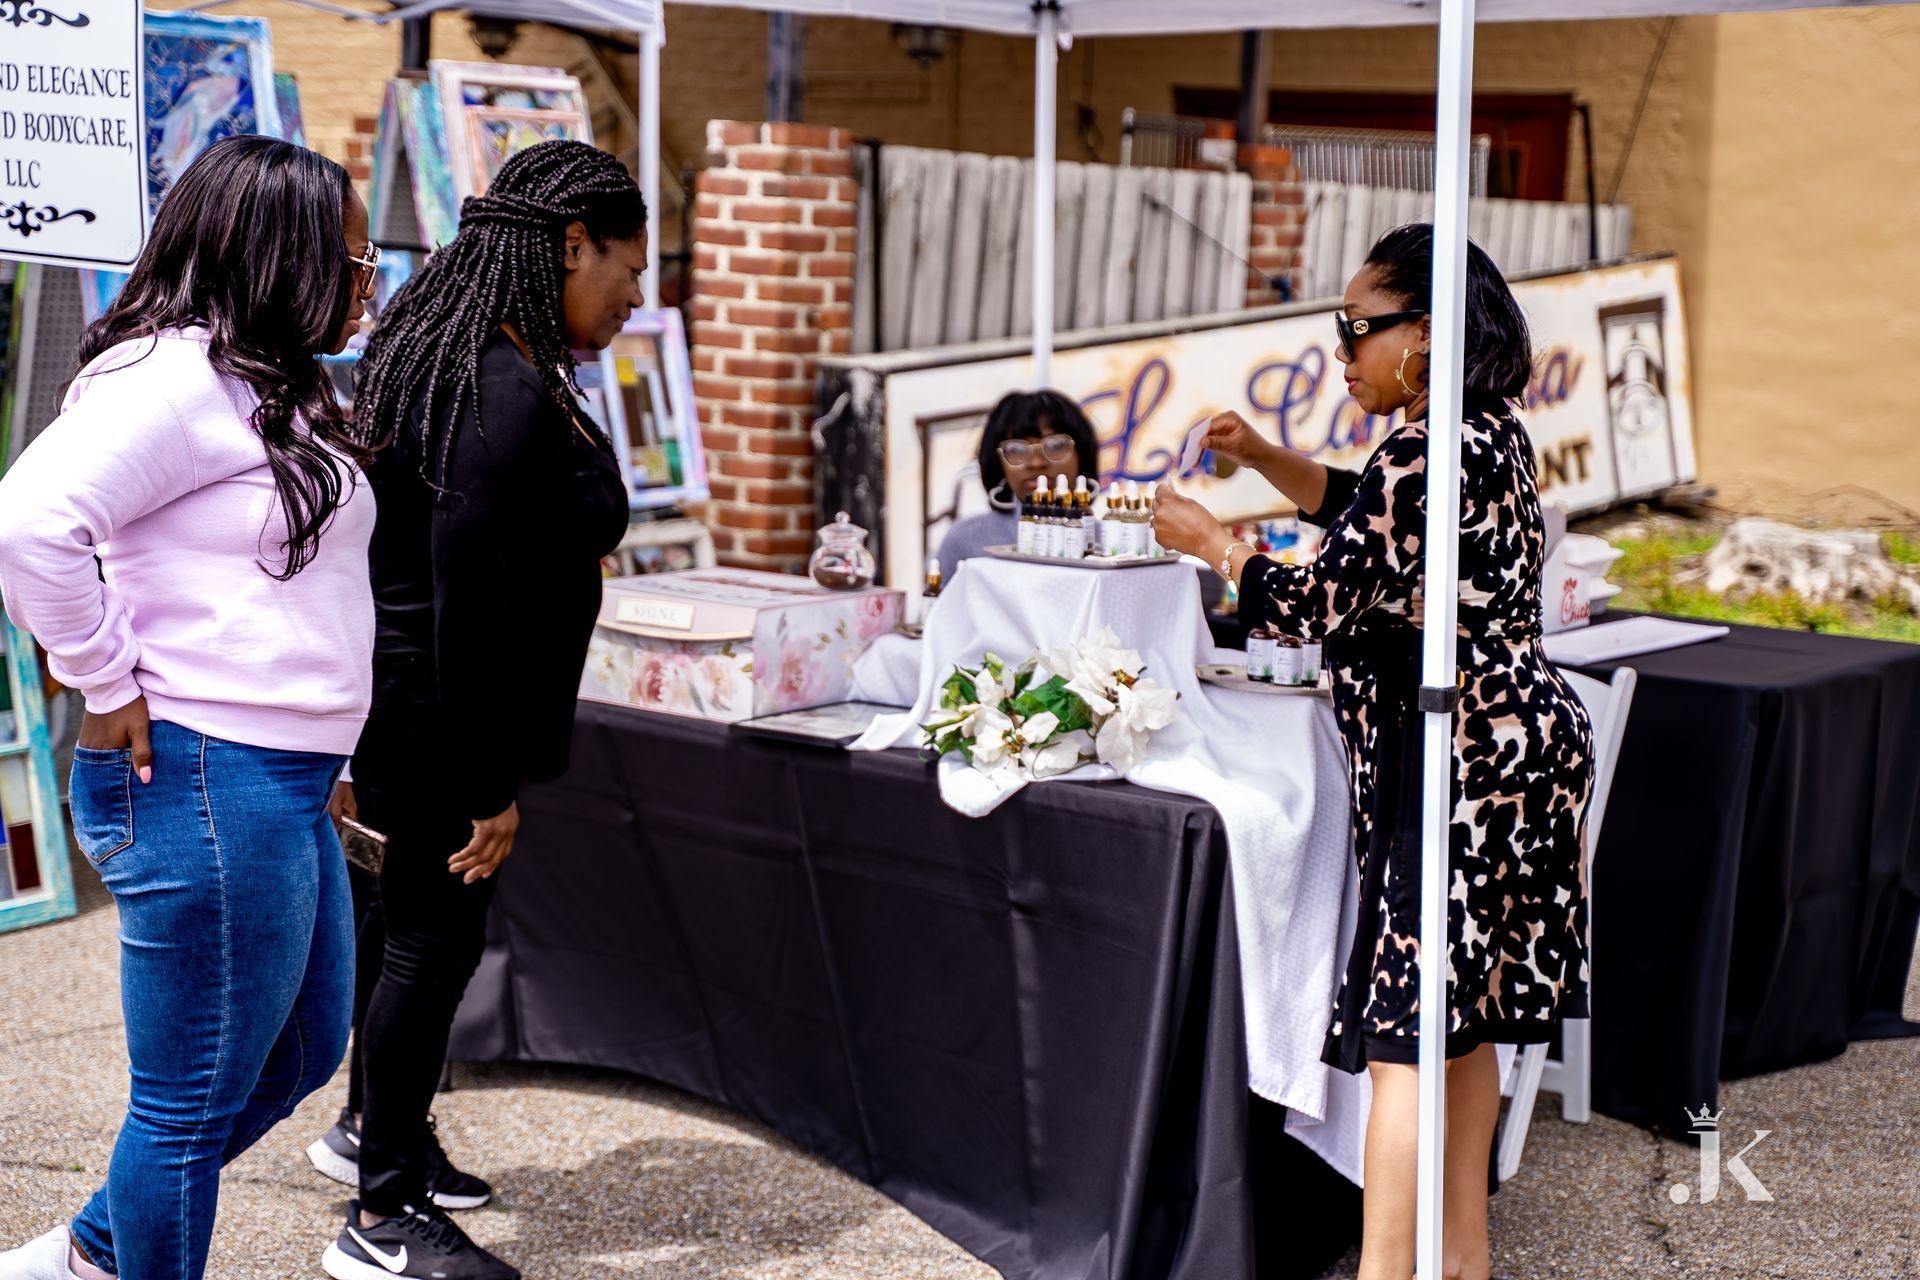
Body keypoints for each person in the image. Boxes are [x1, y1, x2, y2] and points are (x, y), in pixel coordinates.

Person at [1153, 224, 1595, 1280]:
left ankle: (1387, 1270)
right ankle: (1463, 1261)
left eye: (1357, 328)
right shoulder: (1478, 430)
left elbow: (1311, 597)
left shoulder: (1430, 446)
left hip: (1457, 771)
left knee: (1406, 1041)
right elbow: (1367, 516)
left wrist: (1215, 542)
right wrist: (1266, 460)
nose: (1341, 351)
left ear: (1427, 331)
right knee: (1463, 1023)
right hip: (1513, 759)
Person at [0, 136, 377, 1280]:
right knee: (185, 1100)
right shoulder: (170, 376)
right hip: (206, 773)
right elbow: (28, 523)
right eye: (355, 257)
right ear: (282, 256)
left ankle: (93, 1249)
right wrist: (101, 679)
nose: (371, 281)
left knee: (304, 1047)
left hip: (279, 779)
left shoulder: (276, 382)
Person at [313, 140, 644, 1280]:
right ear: (568, 246)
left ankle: (374, 1129)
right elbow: (466, 595)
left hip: (414, 703)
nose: (637, 294)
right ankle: (381, 1209)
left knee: (405, 933)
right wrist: (488, 783)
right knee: (430, 942)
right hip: (440, 718)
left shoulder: (474, 349)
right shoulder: (496, 382)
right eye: (627, 267)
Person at [936, 389, 1100, 582]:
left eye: (1055, 446)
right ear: (998, 463)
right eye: (1016, 449)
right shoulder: (966, 539)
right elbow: (935, 610)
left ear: (1082, 455)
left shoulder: (1112, 541)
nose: (1036, 462)